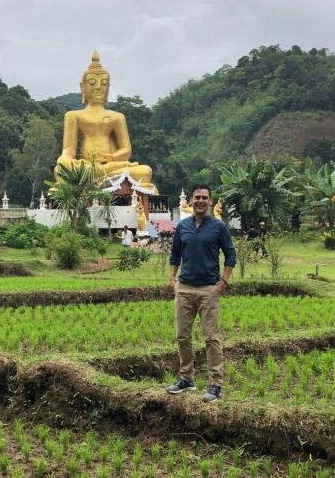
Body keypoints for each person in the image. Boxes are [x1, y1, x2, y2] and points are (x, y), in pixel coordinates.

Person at [166, 184, 236, 403]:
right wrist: (173, 279)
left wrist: (223, 282)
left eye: (205, 198)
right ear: (191, 200)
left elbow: (231, 255)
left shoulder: (218, 227)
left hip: (208, 289)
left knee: (211, 338)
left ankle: (216, 384)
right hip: (185, 288)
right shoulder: (183, 226)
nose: (200, 201)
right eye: (197, 197)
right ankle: (187, 378)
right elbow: (175, 254)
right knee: (182, 336)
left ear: (210, 201)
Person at [54, 51, 156, 193]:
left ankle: (98, 176)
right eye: (92, 83)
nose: (98, 87)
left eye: (103, 84)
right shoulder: (74, 115)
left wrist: (111, 158)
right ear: (82, 87)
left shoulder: (117, 117)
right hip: (86, 166)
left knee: (145, 171)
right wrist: (65, 159)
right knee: (61, 168)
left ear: (108, 87)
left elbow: (126, 150)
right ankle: (97, 175)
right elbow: (69, 149)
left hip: (112, 166)